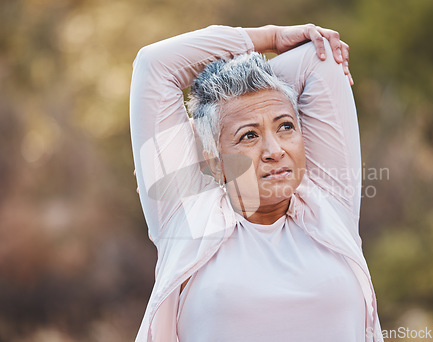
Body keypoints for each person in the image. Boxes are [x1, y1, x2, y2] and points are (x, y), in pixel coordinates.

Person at [130, 24, 383, 342]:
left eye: (286, 126)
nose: (275, 151)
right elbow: (154, 65)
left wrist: (187, 144)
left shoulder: (329, 205)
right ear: (213, 160)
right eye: (249, 135)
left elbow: (319, 60)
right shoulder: (189, 220)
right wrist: (271, 38)